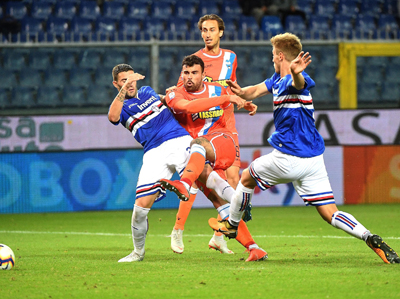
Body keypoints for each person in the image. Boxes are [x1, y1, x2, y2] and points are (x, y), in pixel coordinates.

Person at [209, 33, 400, 264]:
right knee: (331, 213)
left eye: (273, 55)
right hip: (313, 161)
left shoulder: (294, 81)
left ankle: (232, 224)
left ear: (280, 56)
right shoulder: (276, 81)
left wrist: (297, 73)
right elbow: (256, 90)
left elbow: (298, 84)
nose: (271, 59)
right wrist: (240, 93)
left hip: (289, 157)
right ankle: (370, 237)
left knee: (247, 177)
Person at [109, 64, 251, 262]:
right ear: (116, 84)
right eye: (124, 81)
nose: (129, 84)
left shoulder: (148, 92)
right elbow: (113, 117)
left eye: (131, 79)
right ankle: (138, 253)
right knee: (140, 209)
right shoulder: (121, 106)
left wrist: (171, 94)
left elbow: (172, 102)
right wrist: (124, 91)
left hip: (178, 140)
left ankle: (240, 200)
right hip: (153, 153)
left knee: (207, 177)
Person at [160, 55, 268, 262]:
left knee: (199, 145)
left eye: (194, 73)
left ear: (203, 75)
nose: (189, 77)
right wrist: (228, 99)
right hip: (197, 155)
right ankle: (253, 246)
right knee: (219, 199)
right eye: (186, 73)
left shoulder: (217, 90)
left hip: (220, 139)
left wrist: (244, 104)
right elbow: (189, 108)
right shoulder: (175, 94)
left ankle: (184, 183)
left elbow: (232, 102)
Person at [168, 14, 257, 255]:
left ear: (221, 32)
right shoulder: (196, 60)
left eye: (211, 29)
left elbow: (233, 87)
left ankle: (220, 235)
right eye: (203, 30)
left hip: (226, 122)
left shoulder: (231, 57)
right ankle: (178, 229)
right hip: (201, 125)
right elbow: (181, 88)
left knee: (232, 180)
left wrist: (245, 100)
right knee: (201, 178)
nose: (207, 34)